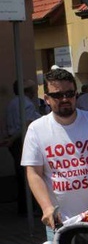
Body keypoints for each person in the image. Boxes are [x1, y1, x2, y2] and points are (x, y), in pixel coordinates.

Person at [21, 69, 88, 237]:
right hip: (59, 221)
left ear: (76, 94)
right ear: (46, 99)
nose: (65, 99)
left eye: (69, 94)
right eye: (57, 95)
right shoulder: (36, 129)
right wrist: (46, 208)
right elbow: (34, 173)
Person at [5, 79, 42, 215]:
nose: (35, 91)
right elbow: (25, 124)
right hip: (21, 140)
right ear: (27, 90)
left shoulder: (12, 103)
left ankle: (24, 207)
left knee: (21, 175)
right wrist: (12, 139)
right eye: (33, 89)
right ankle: (29, 208)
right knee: (28, 174)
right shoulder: (26, 104)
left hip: (14, 141)